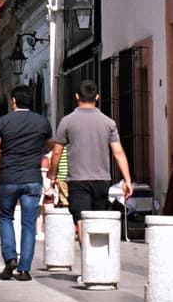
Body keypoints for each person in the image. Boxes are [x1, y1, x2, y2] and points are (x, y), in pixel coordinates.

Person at [48, 80, 133, 244]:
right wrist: (127, 180)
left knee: (80, 220)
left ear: (77, 96)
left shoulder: (67, 121)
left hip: (77, 179)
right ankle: (96, 260)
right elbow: (118, 152)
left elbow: (57, 151)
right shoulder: (109, 123)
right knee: (97, 221)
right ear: (98, 97)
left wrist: (52, 175)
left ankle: (86, 257)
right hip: (102, 179)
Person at [0, 85, 53, 281]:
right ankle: (24, 269)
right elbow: (49, 143)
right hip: (32, 178)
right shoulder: (42, 122)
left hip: (8, 178)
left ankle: (10, 258)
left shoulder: (2, 122)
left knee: (6, 217)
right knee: (29, 224)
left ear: (13, 101)